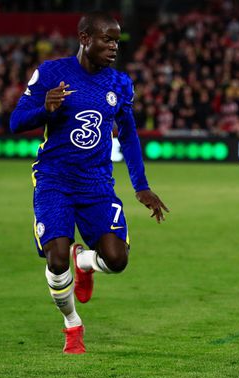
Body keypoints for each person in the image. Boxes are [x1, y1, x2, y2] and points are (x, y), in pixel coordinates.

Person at [10, 11, 169, 354]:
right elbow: (15, 122)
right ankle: (72, 325)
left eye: (117, 40)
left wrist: (141, 186)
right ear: (85, 38)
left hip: (96, 183)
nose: (114, 47)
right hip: (55, 178)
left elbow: (128, 136)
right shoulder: (52, 72)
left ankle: (84, 261)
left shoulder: (119, 84)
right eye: (107, 39)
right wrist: (45, 111)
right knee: (55, 259)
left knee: (117, 260)